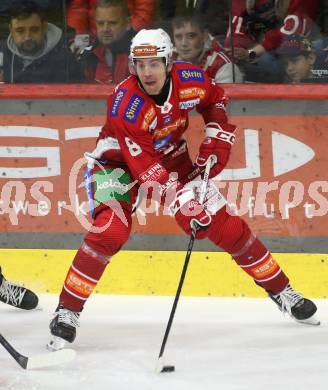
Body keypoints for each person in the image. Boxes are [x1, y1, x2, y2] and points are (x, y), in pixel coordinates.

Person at [47, 28, 319, 351]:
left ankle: (282, 291)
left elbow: (216, 99)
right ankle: (67, 310)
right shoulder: (126, 104)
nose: (147, 72)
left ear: (168, 62)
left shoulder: (190, 79)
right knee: (110, 231)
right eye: (140, 65)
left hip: (171, 159)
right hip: (116, 166)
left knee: (227, 227)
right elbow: (146, 171)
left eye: (154, 64)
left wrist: (217, 135)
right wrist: (185, 205)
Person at [225, 0, 319, 82]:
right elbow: (236, 36)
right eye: (286, 64)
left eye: (294, 62)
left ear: (312, 58)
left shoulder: (298, 11)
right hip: (280, 47)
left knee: (266, 60)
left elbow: (275, 40)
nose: (289, 68)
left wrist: (249, 53)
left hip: (307, 42)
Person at [0, 0, 82, 83]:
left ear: (44, 28)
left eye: (34, 30)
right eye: (20, 31)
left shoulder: (65, 57)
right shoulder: (4, 52)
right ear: (11, 30)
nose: (27, 37)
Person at [172, 15, 243, 83]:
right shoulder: (166, 61)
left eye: (191, 36)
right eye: (178, 37)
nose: (184, 43)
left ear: (204, 36)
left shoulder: (223, 66)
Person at [76, 0, 133, 84]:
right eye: (100, 23)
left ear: (128, 23)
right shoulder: (87, 55)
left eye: (112, 23)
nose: (105, 29)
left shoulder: (138, 56)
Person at [67, 0, 155, 38]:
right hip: (94, 37)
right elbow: (78, 9)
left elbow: (144, 12)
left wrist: (129, 34)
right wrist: (79, 35)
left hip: (127, 35)